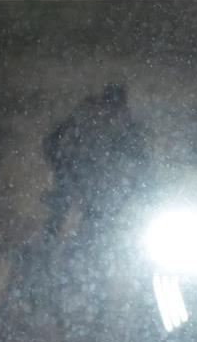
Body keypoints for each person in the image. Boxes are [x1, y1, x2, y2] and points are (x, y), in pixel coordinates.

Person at [43, 83, 150, 243]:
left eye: (116, 107)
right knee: (62, 221)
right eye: (108, 105)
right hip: (82, 185)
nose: (111, 112)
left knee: (94, 227)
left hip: (103, 196)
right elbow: (54, 145)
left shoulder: (126, 131)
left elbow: (141, 163)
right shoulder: (83, 121)